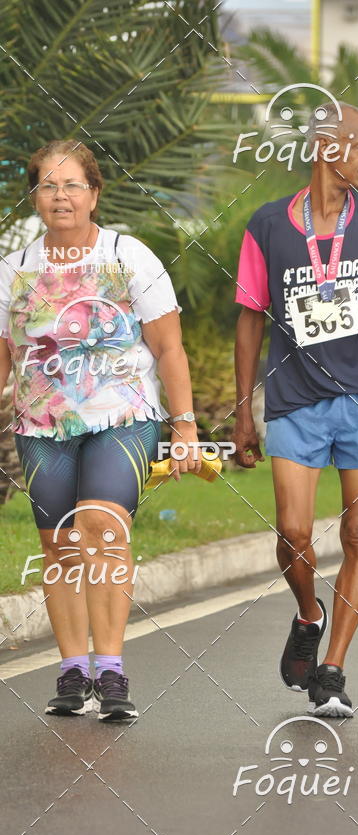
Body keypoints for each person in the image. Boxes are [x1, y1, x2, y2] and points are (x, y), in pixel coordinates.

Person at [0, 139, 200, 720]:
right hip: (41, 424)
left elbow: (169, 348)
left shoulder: (129, 256)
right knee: (59, 543)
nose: (60, 196)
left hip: (123, 417)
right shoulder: (13, 268)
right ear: (34, 196)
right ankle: (71, 670)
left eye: (72, 185)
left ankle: (109, 670)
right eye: (48, 186)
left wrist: (184, 426)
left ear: (94, 192)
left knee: (101, 529)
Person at [232, 102, 358, 718]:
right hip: (294, 399)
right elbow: (249, 320)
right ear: (327, 148)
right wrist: (242, 411)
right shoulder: (266, 225)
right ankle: (308, 615)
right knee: (292, 533)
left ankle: (332, 670)